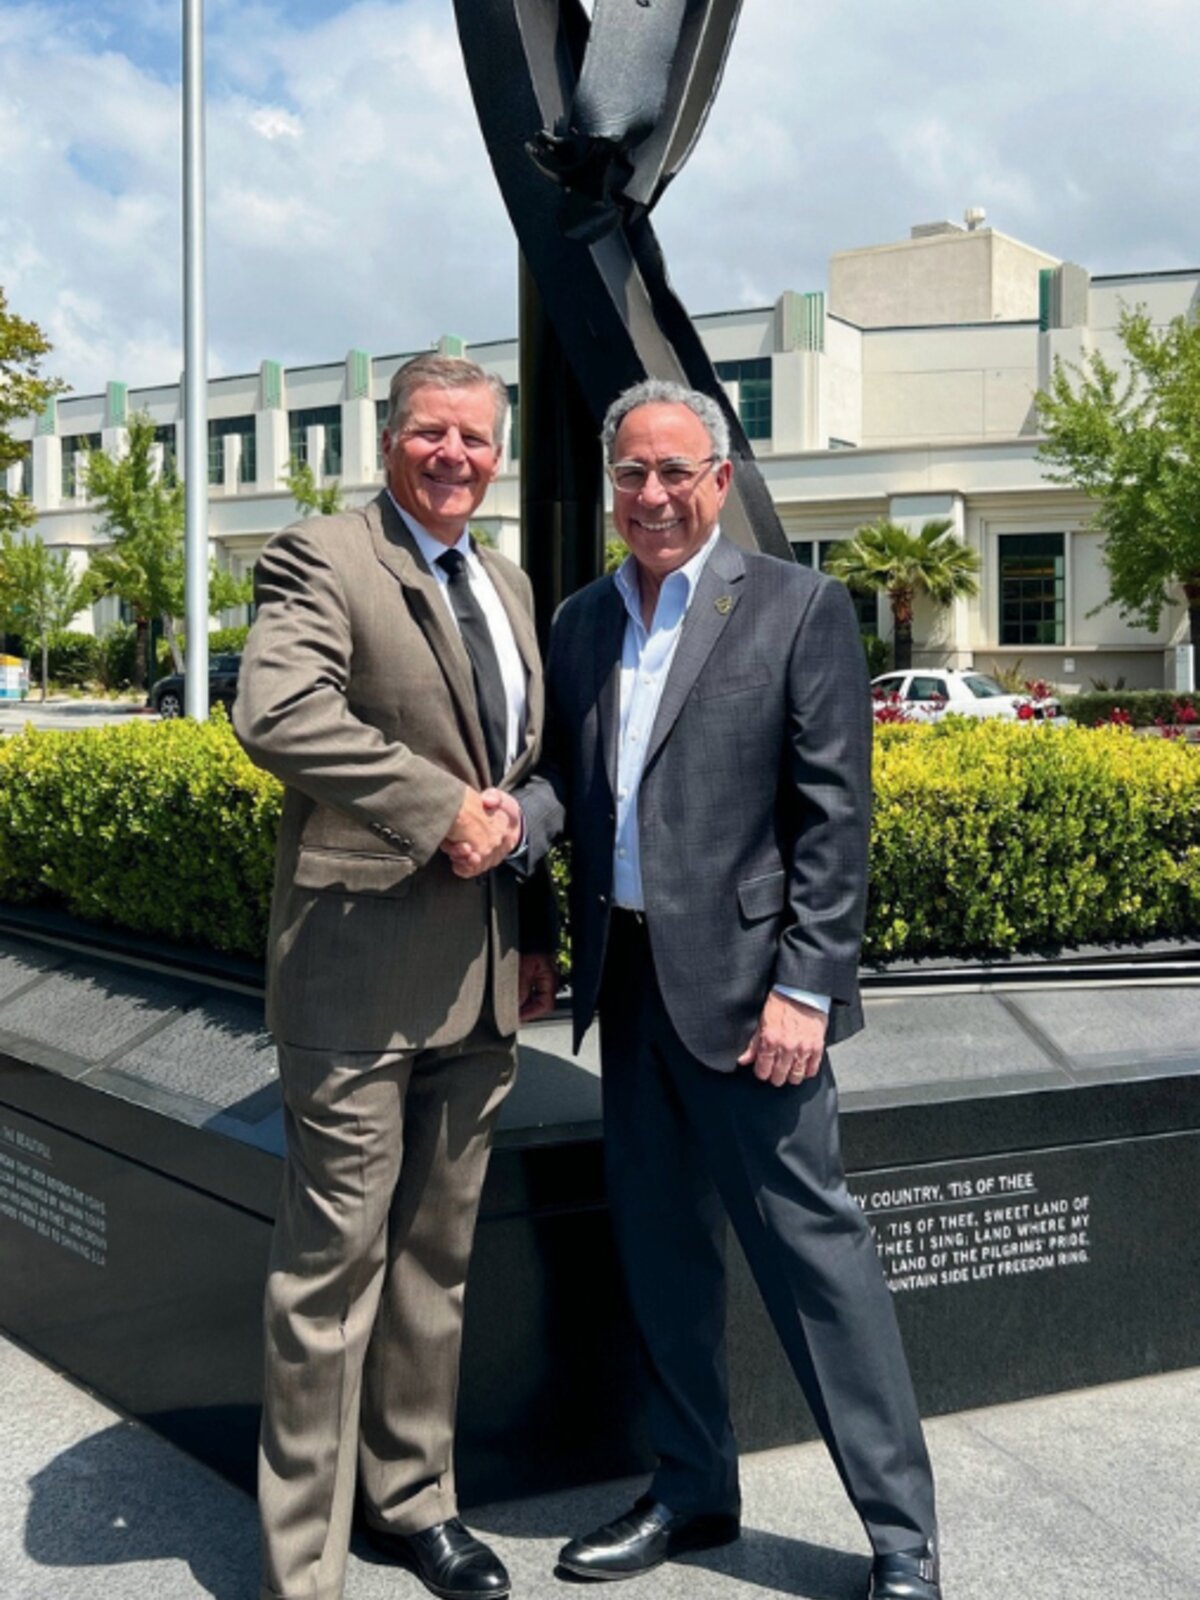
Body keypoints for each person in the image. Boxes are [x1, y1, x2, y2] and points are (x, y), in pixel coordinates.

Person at [474, 379, 941, 1599]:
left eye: (677, 471)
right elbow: (570, 788)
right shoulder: (581, 620)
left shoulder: (797, 607)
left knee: (817, 1265)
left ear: (721, 481)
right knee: (665, 1257)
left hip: (755, 1005)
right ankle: (692, 1490)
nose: (653, 495)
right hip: (629, 991)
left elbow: (835, 820)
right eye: (633, 472)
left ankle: (903, 1539)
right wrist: (517, 847)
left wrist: (806, 986)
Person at [234, 353, 556, 1600]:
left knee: (436, 1263)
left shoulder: (512, 583)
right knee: (330, 1279)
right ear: (389, 441)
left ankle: (414, 1499)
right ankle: (302, 1566)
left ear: (499, 451)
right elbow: (278, 713)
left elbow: (524, 766)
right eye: (432, 433)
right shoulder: (323, 557)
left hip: (479, 985)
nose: (455, 456)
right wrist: (439, 810)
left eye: (475, 439)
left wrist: (530, 924)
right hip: (357, 978)